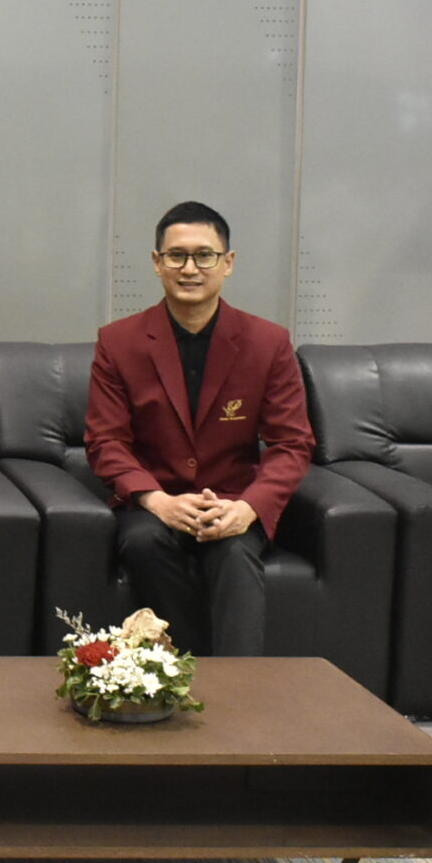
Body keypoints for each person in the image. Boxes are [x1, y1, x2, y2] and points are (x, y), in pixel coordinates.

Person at [83, 200, 314, 656]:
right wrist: (157, 501)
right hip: (153, 502)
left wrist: (249, 507)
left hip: (232, 500)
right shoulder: (119, 342)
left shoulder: (268, 342)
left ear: (228, 262)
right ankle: (185, 671)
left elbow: (292, 443)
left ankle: (238, 687)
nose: (190, 269)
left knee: (235, 552)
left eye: (204, 255)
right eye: (177, 256)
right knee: (145, 544)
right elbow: (105, 441)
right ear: (157, 262)